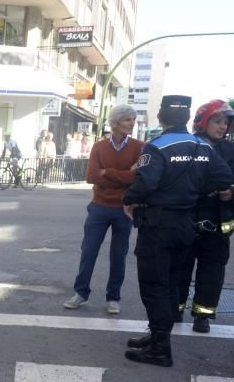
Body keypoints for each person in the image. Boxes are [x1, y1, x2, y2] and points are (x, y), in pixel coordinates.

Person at [122, 96, 234, 366]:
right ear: (187, 119)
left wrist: (128, 200)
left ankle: (160, 347)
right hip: (185, 225)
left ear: (160, 117)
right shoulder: (203, 147)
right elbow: (224, 180)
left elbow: (146, 183)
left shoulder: (157, 146)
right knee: (171, 283)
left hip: (159, 225)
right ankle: (157, 336)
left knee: (154, 285)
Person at [63, 105, 142, 314]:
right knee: (88, 251)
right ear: (115, 123)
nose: (132, 123)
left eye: (133, 119)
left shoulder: (139, 147)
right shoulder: (99, 147)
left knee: (119, 255)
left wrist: (108, 173)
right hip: (99, 207)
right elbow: (91, 177)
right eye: (127, 119)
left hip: (124, 209)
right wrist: (125, 176)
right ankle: (81, 293)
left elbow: (138, 177)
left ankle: (113, 297)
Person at [173, 99, 234, 333]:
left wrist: (230, 194)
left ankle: (202, 316)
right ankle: (175, 309)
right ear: (203, 122)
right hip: (188, 220)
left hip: (218, 223)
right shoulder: (188, 146)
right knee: (179, 269)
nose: (222, 127)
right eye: (217, 121)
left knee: (212, 273)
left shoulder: (231, 151)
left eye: (226, 123)